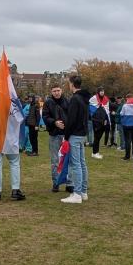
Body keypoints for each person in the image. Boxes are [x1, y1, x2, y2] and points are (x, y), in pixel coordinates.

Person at [0, 91, 26, 201]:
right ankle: (15, 190)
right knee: (14, 163)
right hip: (10, 137)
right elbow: (20, 118)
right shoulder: (14, 103)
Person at [61, 75, 90, 204]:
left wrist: (66, 137)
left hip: (75, 135)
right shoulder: (84, 99)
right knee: (82, 164)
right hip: (82, 134)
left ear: (72, 84)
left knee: (76, 164)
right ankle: (83, 192)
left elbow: (71, 120)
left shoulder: (75, 99)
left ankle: (77, 194)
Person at [42, 84, 70, 192]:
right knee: (55, 160)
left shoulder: (67, 101)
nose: (56, 93)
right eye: (54, 91)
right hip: (54, 135)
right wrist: (54, 122)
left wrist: (66, 126)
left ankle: (69, 183)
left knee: (68, 159)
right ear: (51, 92)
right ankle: (56, 182)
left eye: (58, 90)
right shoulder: (48, 103)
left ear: (61, 90)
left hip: (66, 135)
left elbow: (70, 116)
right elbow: (45, 117)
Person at [89, 87, 110, 159]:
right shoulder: (93, 99)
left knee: (99, 137)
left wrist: (106, 119)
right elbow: (91, 107)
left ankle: (96, 152)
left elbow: (107, 110)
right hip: (96, 121)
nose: (102, 92)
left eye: (103, 91)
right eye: (101, 91)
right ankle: (94, 153)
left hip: (103, 120)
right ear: (98, 92)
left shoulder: (106, 99)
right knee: (96, 137)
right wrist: (99, 108)